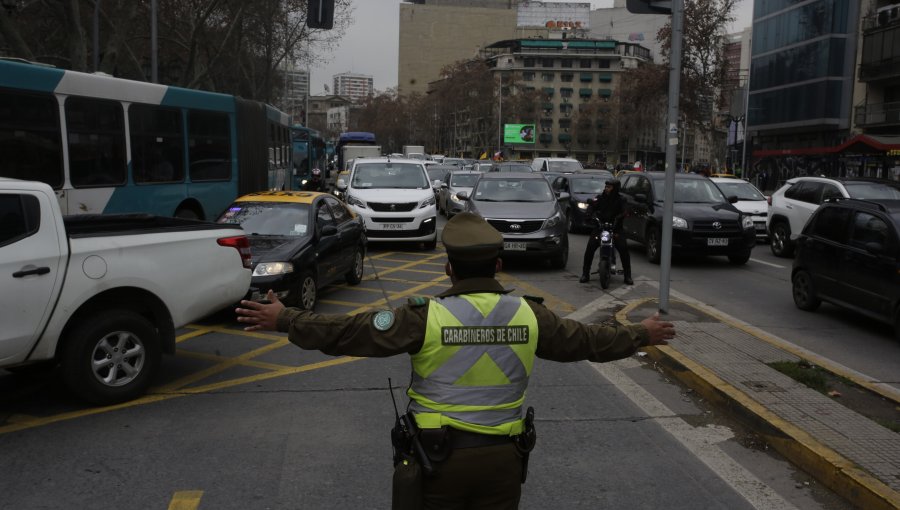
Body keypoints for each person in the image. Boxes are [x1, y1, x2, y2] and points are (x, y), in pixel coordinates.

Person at [235, 212, 675, 510]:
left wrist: (284, 318)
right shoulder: (530, 314)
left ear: (448, 269)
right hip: (504, 464)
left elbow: (346, 333)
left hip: (438, 464)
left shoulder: (425, 316)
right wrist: (642, 333)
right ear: (499, 264)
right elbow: (589, 342)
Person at [580, 179, 633, 285]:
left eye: (609, 187)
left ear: (615, 189)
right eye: (606, 187)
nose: (606, 189)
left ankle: (628, 276)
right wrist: (589, 215)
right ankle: (585, 274)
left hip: (615, 228)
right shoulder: (600, 198)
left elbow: (626, 210)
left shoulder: (621, 200)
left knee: (623, 248)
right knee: (590, 247)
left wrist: (621, 216)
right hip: (600, 227)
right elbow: (592, 205)